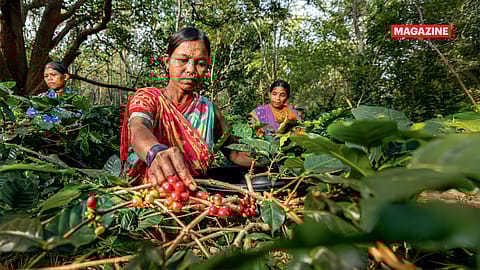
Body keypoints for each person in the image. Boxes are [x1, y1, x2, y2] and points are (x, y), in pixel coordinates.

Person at [120, 27, 253, 191]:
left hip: (196, 200)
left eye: (201, 63)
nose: (191, 69)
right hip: (148, 200)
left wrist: (277, 158)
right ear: (167, 62)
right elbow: (138, 127)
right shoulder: (149, 99)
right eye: (183, 60)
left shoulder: (209, 111)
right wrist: (154, 151)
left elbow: (235, 154)